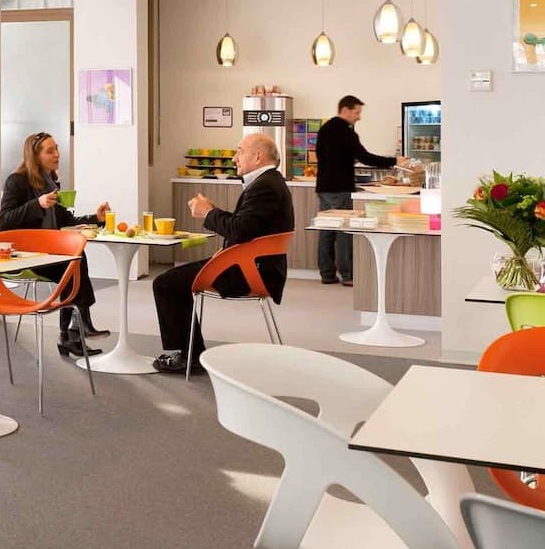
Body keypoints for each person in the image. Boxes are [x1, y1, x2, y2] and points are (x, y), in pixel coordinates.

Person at [152, 134, 294, 374]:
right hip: (250, 265)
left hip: (248, 271)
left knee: (166, 283)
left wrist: (208, 213)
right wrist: (214, 215)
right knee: (173, 281)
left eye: (239, 151)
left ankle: (189, 356)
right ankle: (190, 354)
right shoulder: (270, 182)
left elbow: (239, 230)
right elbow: (247, 228)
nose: (234, 158)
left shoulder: (264, 187)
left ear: (257, 156)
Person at [0, 132, 112, 358]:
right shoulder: (16, 181)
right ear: (35, 156)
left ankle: (73, 331)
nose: (57, 154)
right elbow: (4, 222)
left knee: (74, 260)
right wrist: (37, 204)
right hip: (24, 256)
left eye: (57, 149)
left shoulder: (50, 182)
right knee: (74, 262)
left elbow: (64, 220)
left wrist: (96, 218)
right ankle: (75, 328)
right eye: (50, 151)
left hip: (47, 253)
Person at [315, 95, 404, 286]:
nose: (359, 117)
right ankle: (347, 275)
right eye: (356, 112)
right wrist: (395, 161)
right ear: (345, 110)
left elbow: (328, 156)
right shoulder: (345, 131)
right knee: (344, 231)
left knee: (327, 229)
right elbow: (365, 157)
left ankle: (327, 274)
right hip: (339, 189)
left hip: (324, 187)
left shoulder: (325, 128)